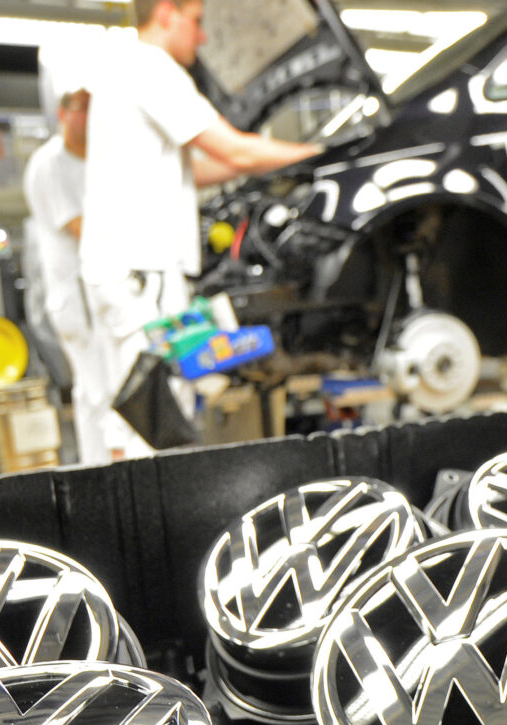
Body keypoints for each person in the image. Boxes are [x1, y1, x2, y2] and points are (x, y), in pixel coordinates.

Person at [79, 0, 321, 459]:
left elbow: (199, 169)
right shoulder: (151, 67)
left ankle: (138, 501)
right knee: (154, 419)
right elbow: (235, 150)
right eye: (196, 21)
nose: (203, 36)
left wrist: (253, 164)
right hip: (142, 271)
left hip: (126, 268)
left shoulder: (121, 68)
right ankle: (150, 506)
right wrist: (321, 154)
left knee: (136, 414)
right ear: (166, 12)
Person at [22, 88, 102, 461]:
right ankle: (104, 467)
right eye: (81, 108)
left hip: (96, 292)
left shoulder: (94, 160)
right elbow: (80, 228)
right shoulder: (50, 163)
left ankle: (112, 462)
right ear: (63, 113)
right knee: (96, 388)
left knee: (107, 385)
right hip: (76, 296)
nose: (88, 117)